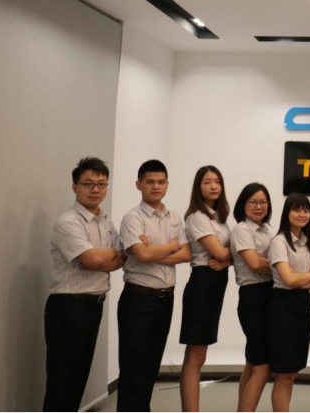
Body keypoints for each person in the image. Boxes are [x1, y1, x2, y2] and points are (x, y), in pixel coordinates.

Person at [43, 156, 125, 412]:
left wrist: (105, 256)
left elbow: (122, 258)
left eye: (101, 184)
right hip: (68, 308)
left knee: (78, 377)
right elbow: (92, 260)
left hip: (92, 305)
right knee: (61, 380)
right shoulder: (68, 221)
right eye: (88, 184)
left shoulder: (106, 222)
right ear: (75, 187)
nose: (95, 189)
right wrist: (108, 255)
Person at [117, 159, 192, 412]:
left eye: (161, 182)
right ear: (138, 185)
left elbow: (186, 254)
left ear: (167, 184)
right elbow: (142, 255)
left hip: (165, 299)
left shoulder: (174, 217)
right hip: (138, 299)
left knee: (151, 366)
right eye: (150, 182)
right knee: (133, 368)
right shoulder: (132, 218)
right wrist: (170, 246)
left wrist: (153, 250)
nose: (156, 187)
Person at [180, 165, 233, 412]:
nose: (213, 186)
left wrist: (227, 261)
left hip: (215, 285)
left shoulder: (219, 217)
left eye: (217, 181)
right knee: (195, 355)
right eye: (207, 182)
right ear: (198, 187)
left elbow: (227, 256)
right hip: (202, 284)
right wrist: (230, 256)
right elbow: (221, 252)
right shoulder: (197, 217)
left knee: (200, 354)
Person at [268, 192, 310, 413]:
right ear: (287, 213)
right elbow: (288, 280)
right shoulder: (279, 242)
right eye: (297, 210)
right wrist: (306, 276)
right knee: (284, 372)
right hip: (283, 307)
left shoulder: (307, 242)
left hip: (302, 305)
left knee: (293, 371)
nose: (302, 214)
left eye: (306, 210)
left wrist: (299, 278)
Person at [230, 183, 274, 412]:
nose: (259, 206)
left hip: (270, 295)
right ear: (243, 204)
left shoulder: (268, 230)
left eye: (263, 202)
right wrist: (284, 266)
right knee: (262, 367)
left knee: (252, 362)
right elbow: (255, 263)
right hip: (253, 297)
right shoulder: (242, 229)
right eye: (253, 202)